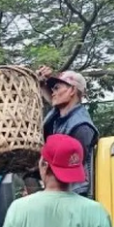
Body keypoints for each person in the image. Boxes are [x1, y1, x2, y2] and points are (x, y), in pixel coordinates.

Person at [30, 66, 100, 197]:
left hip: (73, 194)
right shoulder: (60, 115)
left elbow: (72, 167)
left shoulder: (81, 127)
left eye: (57, 88)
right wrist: (40, 83)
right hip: (57, 189)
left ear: (72, 90)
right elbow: (52, 101)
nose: (53, 93)